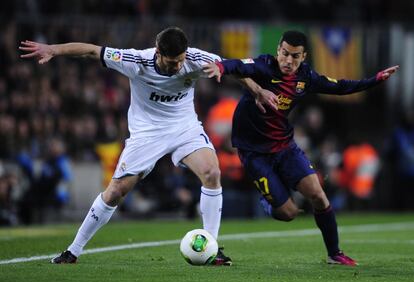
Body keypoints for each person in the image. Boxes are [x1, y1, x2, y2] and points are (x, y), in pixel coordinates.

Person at [19, 26, 265, 265]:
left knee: (212, 172)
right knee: (115, 192)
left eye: (180, 60)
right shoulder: (136, 61)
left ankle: (212, 246)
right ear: (157, 52)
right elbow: (93, 51)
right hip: (146, 134)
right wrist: (54, 49)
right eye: (171, 62)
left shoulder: (196, 59)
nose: (177, 66)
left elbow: (234, 68)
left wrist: (257, 91)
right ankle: (73, 251)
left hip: (184, 128)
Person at [203, 30, 399, 266]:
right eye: (285, 54)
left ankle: (334, 253)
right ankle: (270, 201)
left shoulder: (306, 77)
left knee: (317, 194)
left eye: (295, 56)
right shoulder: (264, 66)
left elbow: (341, 86)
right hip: (254, 152)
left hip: (285, 146)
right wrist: (221, 68)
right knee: (288, 213)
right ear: (278, 50)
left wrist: (374, 80)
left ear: (304, 56)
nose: (288, 61)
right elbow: (237, 65)